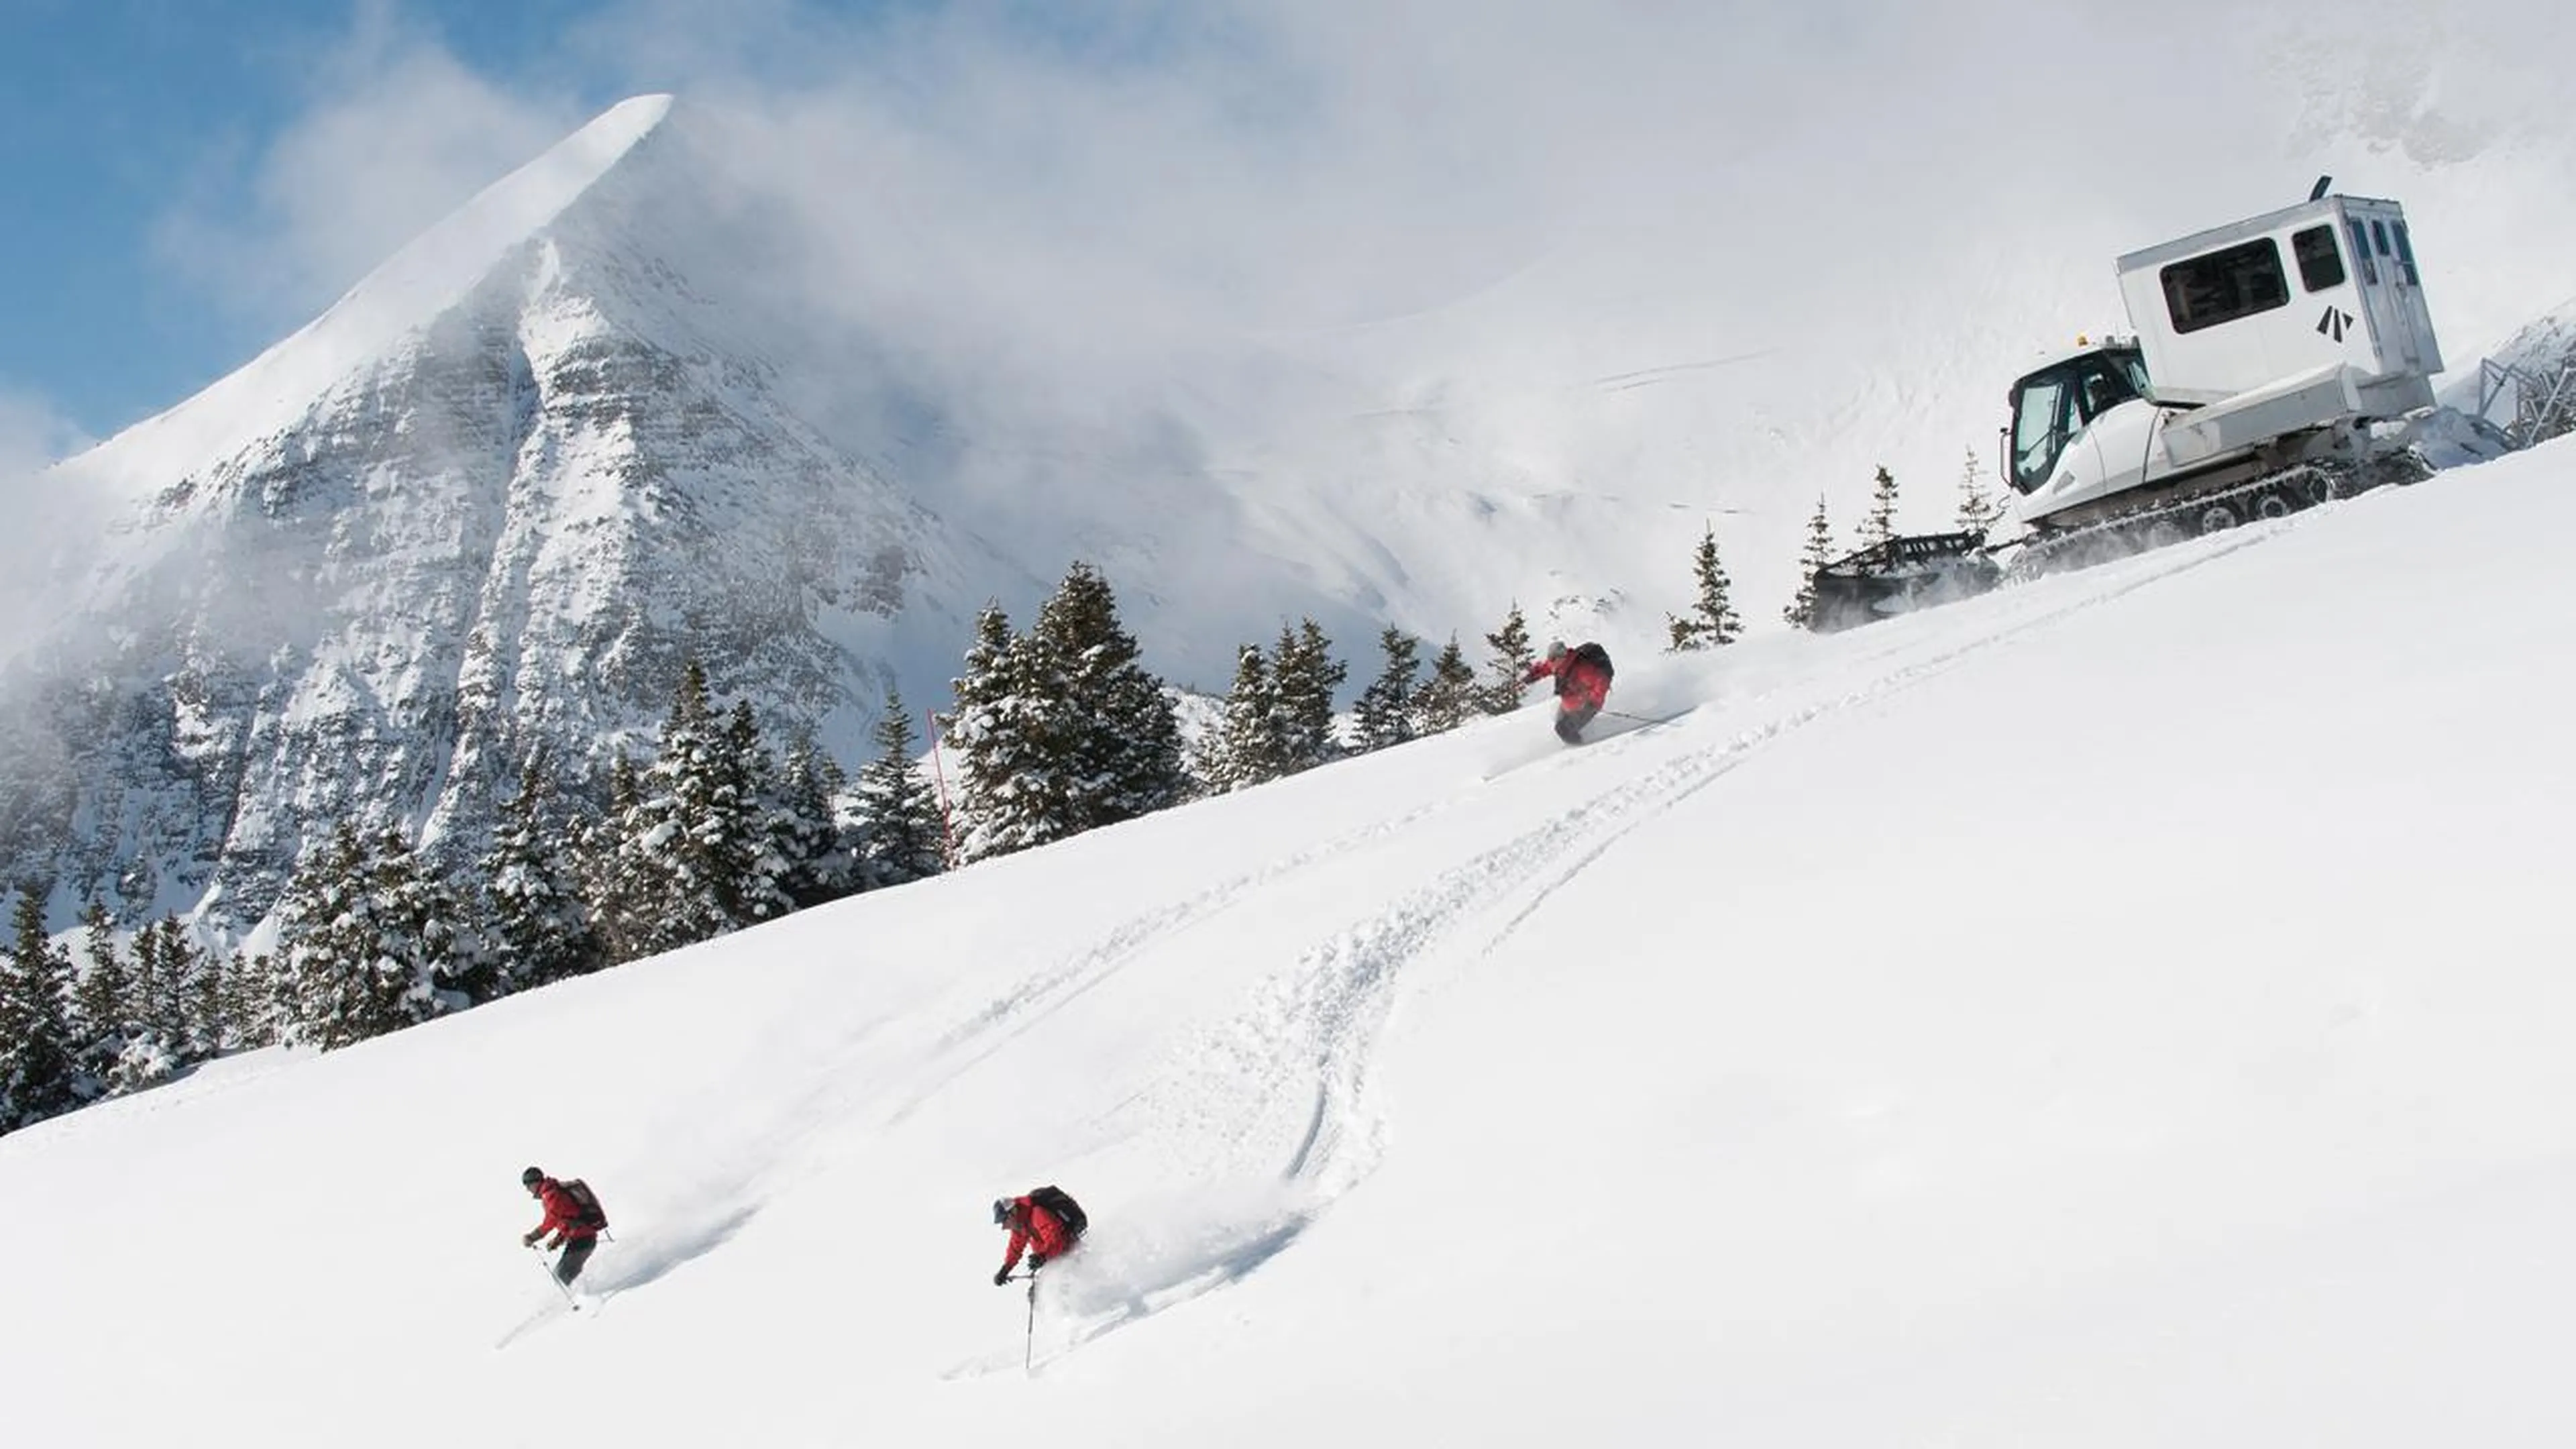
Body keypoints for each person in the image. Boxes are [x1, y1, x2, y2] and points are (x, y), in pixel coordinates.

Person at [520, 1166, 603, 1287]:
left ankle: (582, 1299)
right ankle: (584, 1293)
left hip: (583, 1240)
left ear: (536, 1182)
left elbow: (551, 1221)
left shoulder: (551, 1195)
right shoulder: (551, 1192)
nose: (528, 1189)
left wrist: (532, 1237)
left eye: (528, 1185)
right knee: (562, 1275)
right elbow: (567, 1221)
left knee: (561, 1275)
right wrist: (558, 1240)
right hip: (581, 1239)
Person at [1521, 639, 1614, 743]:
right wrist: (1533, 675)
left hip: (1586, 706)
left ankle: (1581, 751)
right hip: (1569, 704)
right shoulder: (1557, 664)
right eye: (1550, 658)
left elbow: (1602, 682)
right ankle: (1581, 739)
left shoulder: (1581, 669)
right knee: (1559, 723)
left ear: (1562, 657)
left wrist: (1592, 703)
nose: (1550, 661)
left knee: (1563, 730)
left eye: (1553, 659)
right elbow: (1545, 667)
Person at [991, 1187, 1084, 1286]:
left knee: (1062, 1289)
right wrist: (1005, 1269)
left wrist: (1042, 1256)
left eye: (1004, 1220)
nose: (1004, 1227)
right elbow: (1015, 1249)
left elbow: (1056, 1240)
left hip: (1068, 1255)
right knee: (1037, 1294)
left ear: (1013, 1213)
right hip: (1051, 1259)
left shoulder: (1038, 1214)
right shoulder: (1020, 1225)